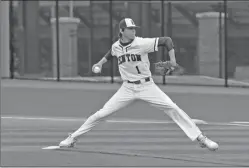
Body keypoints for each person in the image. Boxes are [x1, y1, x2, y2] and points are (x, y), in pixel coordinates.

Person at [59, 18, 219, 151]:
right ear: (122, 31)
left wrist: (173, 61)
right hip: (127, 88)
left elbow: (167, 41)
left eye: (134, 28)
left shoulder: (142, 43)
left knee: (173, 108)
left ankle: (201, 138)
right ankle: (72, 138)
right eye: (130, 29)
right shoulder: (116, 46)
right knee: (101, 114)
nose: (133, 31)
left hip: (147, 86)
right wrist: (100, 63)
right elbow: (111, 53)